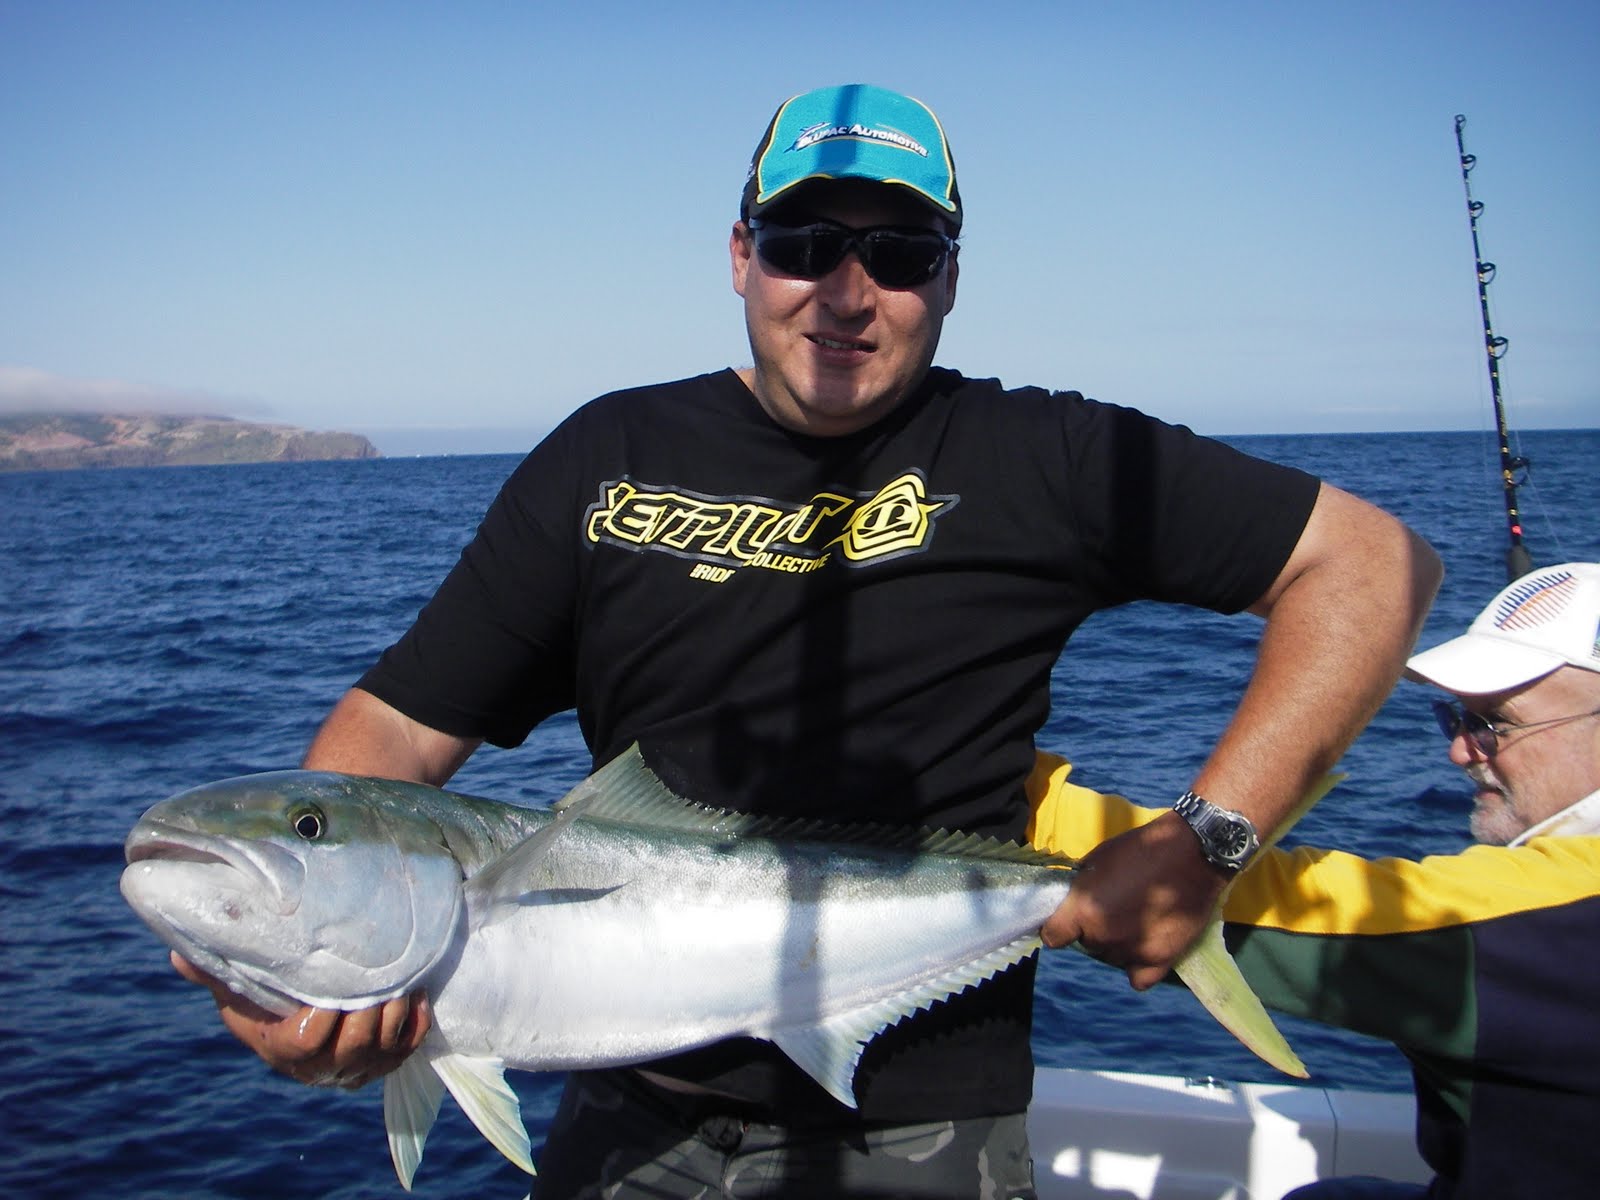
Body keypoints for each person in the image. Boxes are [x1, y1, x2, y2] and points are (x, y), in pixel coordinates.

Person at [173, 83, 1441, 1197]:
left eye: (899, 252)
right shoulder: (607, 454)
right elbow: (397, 730)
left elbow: (1371, 564)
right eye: (802, 243)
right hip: (626, 1118)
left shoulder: (1046, 455)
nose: (846, 291)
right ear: (740, 256)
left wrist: (1211, 838)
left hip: (918, 1133)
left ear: (950, 278)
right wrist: (310, 971)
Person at [1027, 561, 1600, 1200]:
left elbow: (1298, 907)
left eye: (1496, 727)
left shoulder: (1561, 929)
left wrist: (1014, 794)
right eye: (1459, 720)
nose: (1460, 752)